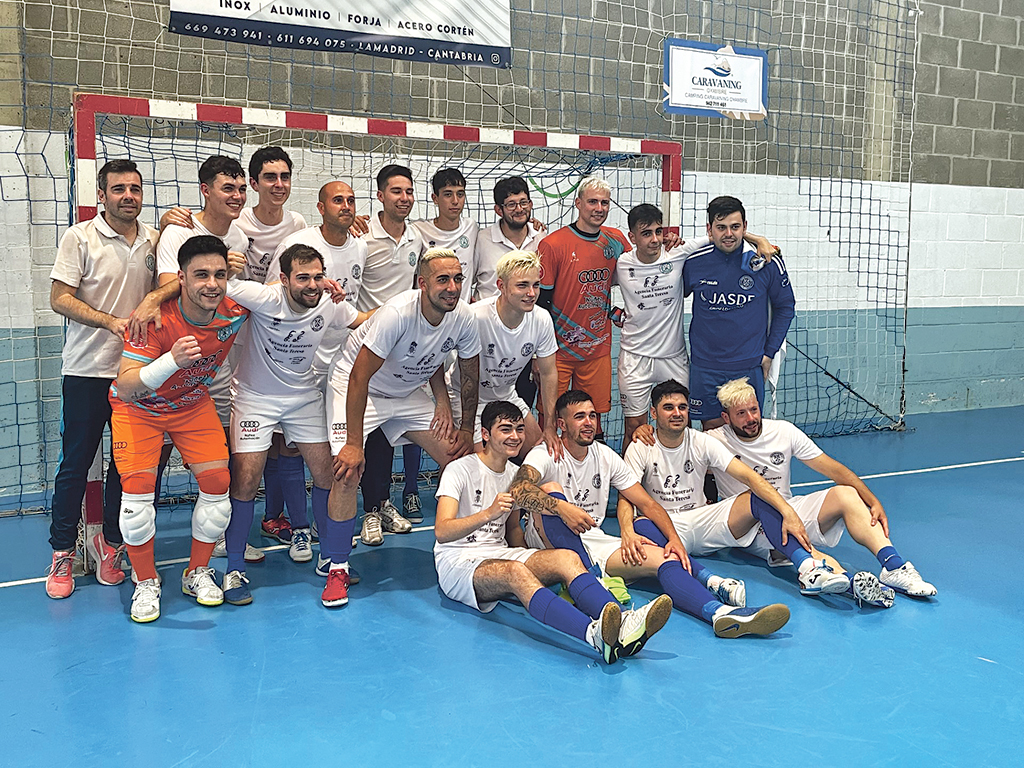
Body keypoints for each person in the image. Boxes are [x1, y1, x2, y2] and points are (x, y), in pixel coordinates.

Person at [510, 389, 791, 638]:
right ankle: (614, 609)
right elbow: (519, 489)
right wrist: (561, 508)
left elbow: (648, 505)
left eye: (592, 416)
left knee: (664, 557)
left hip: (593, 541)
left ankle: (719, 614)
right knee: (550, 487)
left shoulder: (605, 455)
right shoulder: (545, 453)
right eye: (579, 417)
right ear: (561, 424)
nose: (588, 423)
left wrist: (673, 541)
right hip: (547, 543)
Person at [434, 401, 673, 663]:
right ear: (485, 434)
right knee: (515, 572)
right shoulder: (459, 469)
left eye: (519, 429)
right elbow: (442, 532)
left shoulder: (516, 475)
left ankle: (623, 621)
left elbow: (513, 529)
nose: (515, 436)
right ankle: (592, 635)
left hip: (499, 553)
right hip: (457, 560)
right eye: (505, 429)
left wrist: (536, 562)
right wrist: (487, 514)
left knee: (566, 558)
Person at [626, 379, 896, 609]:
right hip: (665, 527)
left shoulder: (704, 441)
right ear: (653, 412)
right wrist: (626, 529)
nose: (676, 413)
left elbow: (751, 478)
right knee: (642, 524)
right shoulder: (641, 446)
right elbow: (628, 495)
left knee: (755, 496)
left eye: (682, 407)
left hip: (702, 519)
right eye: (668, 408)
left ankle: (815, 571)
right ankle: (712, 581)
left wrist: (787, 511)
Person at [320, 248, 481, 608]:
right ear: (422, 284)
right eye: (443, 280)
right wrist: (353, 442)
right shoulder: (396, 313)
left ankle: (469, 548)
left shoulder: (464, 317)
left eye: (457, 278)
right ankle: (337, 568)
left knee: (461, 457)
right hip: (359, 386)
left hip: (407, 393)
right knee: (348, 472)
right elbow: (359, 377)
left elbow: (466, 372)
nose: (452, 287)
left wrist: (465, 427)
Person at [220, 244, 371, 605]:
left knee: (328, 474)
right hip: (255, 397)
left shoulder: (329, 302)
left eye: (318, 276)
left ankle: (330, 560)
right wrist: (224, 261)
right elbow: (213, 283)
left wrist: (414, 307)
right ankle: (234, 568)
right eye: (302, 278)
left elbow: (367, 321)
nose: (312, 285)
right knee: (245, 478)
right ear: (283, 279)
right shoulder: (263, 296)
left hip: (303, 396)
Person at [109, 236, 247, 623]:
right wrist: (170, 361)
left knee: (219, 485)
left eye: (220, 275)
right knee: (136, 501)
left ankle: (196, 571)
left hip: (190, 404)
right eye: (200, 275)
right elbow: (126, 384)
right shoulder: (152, 318)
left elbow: (284, 295)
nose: (212, 284)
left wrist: (325, 290)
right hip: (139, 409)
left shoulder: (236, 309)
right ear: (181, 279)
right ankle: (146, 580)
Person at [710, 377, 937, 598]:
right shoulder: (714, 441)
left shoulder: (783, 431)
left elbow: (833, 469)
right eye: (741, 414)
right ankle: (851, 586)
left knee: (846, 494)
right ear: (726, 418)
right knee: (805, 548)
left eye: (754, 410)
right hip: (752, 525)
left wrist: (873, 500)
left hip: (790, 509)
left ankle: (893, 566)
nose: (751, 418)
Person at [45, 159, 158, 598]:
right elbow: (59, 299)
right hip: (87, 371)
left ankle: (111, 544)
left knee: (127, 469)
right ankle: (61, 553)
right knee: (75, 465)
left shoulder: (154, 239)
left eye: (135, 188)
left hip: (135, 374)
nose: (128, 196)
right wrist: (110, 322)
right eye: (119, 189)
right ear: (102, 194)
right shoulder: (80, 237)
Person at [258, 180, 368, 549]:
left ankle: (326, 523)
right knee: (287, 447)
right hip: (297, 363)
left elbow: (352, 311)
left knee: (331, 451)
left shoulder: (360, 245)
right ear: (321, 207)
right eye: (338, 200)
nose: (346, 206)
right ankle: (296, 526)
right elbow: (278, 293)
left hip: (343, 364)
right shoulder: (299, 244)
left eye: (351, 200)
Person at [682, 195, 795, 431]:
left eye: (735, 227)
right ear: (709, 229)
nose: (728, 234)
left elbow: (786, 307)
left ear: (745, 227)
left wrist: (769, 353)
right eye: (721, 227)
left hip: (747, 366)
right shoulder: (693, 262)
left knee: (748, 433)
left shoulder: (766, 261)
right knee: (712, 438)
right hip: (706, 367)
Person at [357, 164, 426, 539]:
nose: (404, 198)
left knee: (389, 433)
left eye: (408, 191)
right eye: (396, 191)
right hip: (370, 346)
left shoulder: (417, 238)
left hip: (406, 351)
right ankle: (370, 509)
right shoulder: (362, 236)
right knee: (367, 436)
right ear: (380, 195)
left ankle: (382, 504)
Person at [536, 176, 629, 441]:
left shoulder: (616, 241)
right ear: (578, 203)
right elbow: (541, 304)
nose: (599, 208)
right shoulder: (553, 245)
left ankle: (592, 477)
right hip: (557, 351)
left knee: (593, 421)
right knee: (550, 418)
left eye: (604, 203)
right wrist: (537, 353)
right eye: (592, 202)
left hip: (597, 347)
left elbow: (639, 269)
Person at [448, 250, 560, 458]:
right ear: (501, 286)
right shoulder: (476, 317)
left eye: (535, 285)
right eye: (522, 285)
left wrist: (550, 427)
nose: (532, 293)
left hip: (506, 395)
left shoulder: (542, 319)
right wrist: (445, 406)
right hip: (465, 399)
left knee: (541, 457)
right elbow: (437, 353)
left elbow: (548, 374)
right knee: (480, 467)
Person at [475, 176, 548, 410]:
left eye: (524, 202)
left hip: (524, 338)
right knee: (483, 408)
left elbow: (542, 294)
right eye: (512, 204)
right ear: (499, 209)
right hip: (486, 339)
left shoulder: (541, 238)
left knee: (521, 406)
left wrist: (537, 354)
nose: (519, 209)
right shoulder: (481, 239)